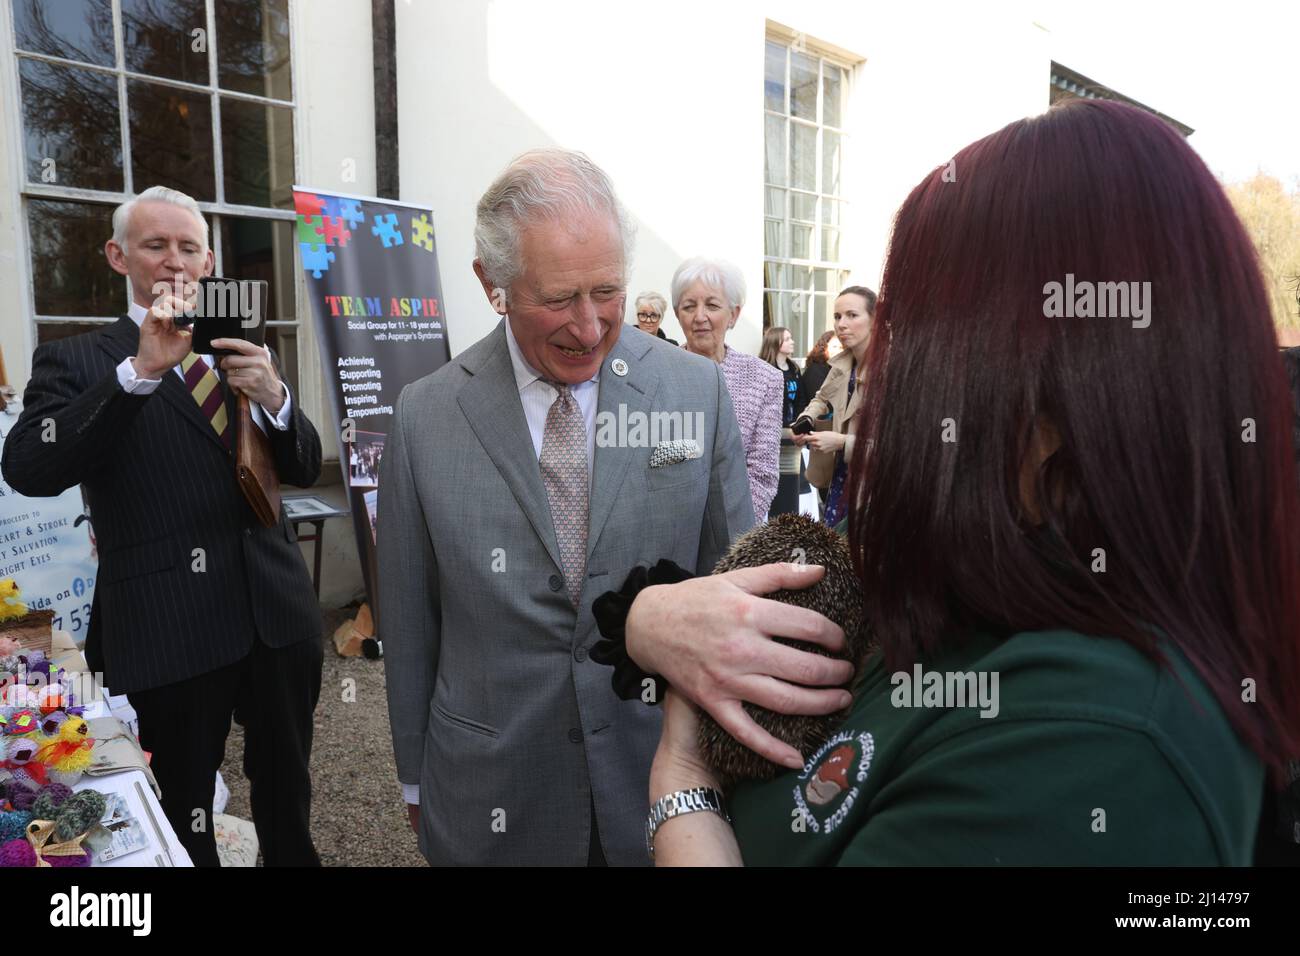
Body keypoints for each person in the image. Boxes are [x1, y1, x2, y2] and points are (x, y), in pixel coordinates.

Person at [615, 99, 1300, 865]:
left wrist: (682, 784)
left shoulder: (1097, 747)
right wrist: (651, 619)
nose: (894, 355)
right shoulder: (976, 551)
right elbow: (767, 583)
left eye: (912, 317)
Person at [377, 148, 760, 866]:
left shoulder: (695, 393)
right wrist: (413, 774)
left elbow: (732, 583)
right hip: (492, 793)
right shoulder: (425, 415)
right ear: (491, 284)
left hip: (659, 787)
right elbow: (406, 614)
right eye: (558, 299)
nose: (589, 328)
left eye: (607, 291)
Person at [1, 185, 324, 867]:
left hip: (277, 613)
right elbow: (30, 467)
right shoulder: (84, 359)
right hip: (167, 626)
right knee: (183, 809)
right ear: (120, 256)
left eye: (188, 247)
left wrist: (276, 398)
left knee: (288, 790)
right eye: (156, 245)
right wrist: (139, 372)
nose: (174, 261)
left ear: (207, 261)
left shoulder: (239, 347)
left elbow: (301, 464)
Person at [676, 257, 783, 521]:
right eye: (689, 306)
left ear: (733, 314)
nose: (700, 316)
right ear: (678, 314)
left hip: (736, 533)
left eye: (712, 305)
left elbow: (762, 473)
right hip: (669, 531)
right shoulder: (655, 374)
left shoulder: (764, 379)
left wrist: (729, 529)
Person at [791, 287, 875, 527]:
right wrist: (805, 421)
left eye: (852, 315)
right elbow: (820, 398)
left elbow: (897, 450)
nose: (841, 324)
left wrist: (840, 442)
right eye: (837, 317)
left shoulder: (893, 371)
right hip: (839, 479)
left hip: (873, 489)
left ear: (875, 320)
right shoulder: (842, 365)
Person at [759, 326, 806, 517]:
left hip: (793, 434)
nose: (792, 342)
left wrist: (800, 421)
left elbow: (802, 398)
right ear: (776, 342)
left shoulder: (794, 368)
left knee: (792, 486)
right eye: (787, 339)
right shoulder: (765, 368)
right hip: (774, 436)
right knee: (774, 484)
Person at [800, 329, 838, 402]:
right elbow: (819, 400)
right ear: (824, 347)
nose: (838, 351)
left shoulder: (835, 367)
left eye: (841, 348)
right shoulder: (816, 370)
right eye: (834, 347)